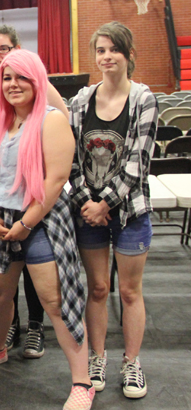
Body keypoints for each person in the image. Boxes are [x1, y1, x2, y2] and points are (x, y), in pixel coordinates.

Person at [0, 49, 94, 410]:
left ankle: (82, 382)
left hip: (42, 223)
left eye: (21, 77)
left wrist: (25, 223)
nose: (13, 84)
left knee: (56, 302)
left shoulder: (52, 121)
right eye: (7, 78)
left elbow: (55, 182)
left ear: (37, 80)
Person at [0, 24, 69, 358]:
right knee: (2, 280)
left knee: (36, 274)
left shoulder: (39, 87)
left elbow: (60, 126)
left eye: (4, 48)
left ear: (17, 50)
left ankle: (35, 326)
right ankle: (8, 327)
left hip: (32, 201)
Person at [69, 21, 157, 400]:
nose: (106, 57)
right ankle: (97, 357)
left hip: (129, 211)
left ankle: (132, 362)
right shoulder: (81, 101)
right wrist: (86, 203)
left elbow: (138, 165)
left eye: (114, 50)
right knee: (99, 288)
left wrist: (104, 203)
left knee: (129, 291)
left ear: (129, 54)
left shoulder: (143, 99)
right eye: (101, 50)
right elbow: (70, 160)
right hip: (87, 210)